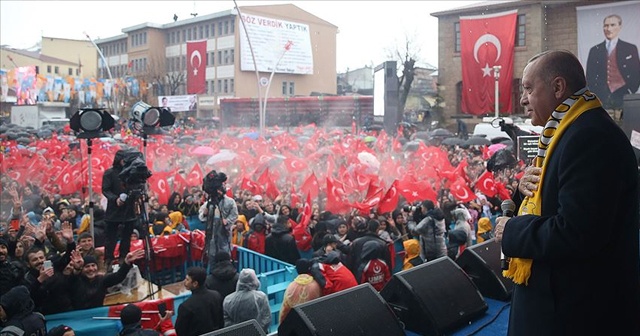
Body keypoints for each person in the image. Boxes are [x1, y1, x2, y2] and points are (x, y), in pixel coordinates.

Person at [495, 50, 640, 335]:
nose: (523, 99)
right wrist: (523, 193)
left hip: (575, 316)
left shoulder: (589, 137)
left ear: (558, 87)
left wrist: (511, 231)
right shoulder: (570, 130)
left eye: (527, 88)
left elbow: (577, 232)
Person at [586, 14, 640, 109]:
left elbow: (636, 72)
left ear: (620, 27)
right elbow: (590, 75)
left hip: (623, 94)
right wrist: (596, 93)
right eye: (606, 25)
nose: (608, 29)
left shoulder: (630, 48)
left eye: (612, 25)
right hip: (601, 97)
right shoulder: (594, 50)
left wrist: (631, 90)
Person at [102, 149, 138, 267]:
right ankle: (109, 259)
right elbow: (105, 190)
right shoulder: (109, 173)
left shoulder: (131, 172)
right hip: (114, 210)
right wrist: (115, 199)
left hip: (129, 210)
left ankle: (124, 257)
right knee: (111, 238)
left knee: (126, 237)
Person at [175, 267, 224, 336]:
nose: (184, 282)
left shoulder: (186, 306)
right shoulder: (216, 296)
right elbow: (221, 321)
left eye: (187, 279)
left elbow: (180, 331)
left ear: (195, 283)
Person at [222, 269, 271, 333]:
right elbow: (266, 318)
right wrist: (257, 332)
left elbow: (227, 322)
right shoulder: (260, 297)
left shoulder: (228, 300)